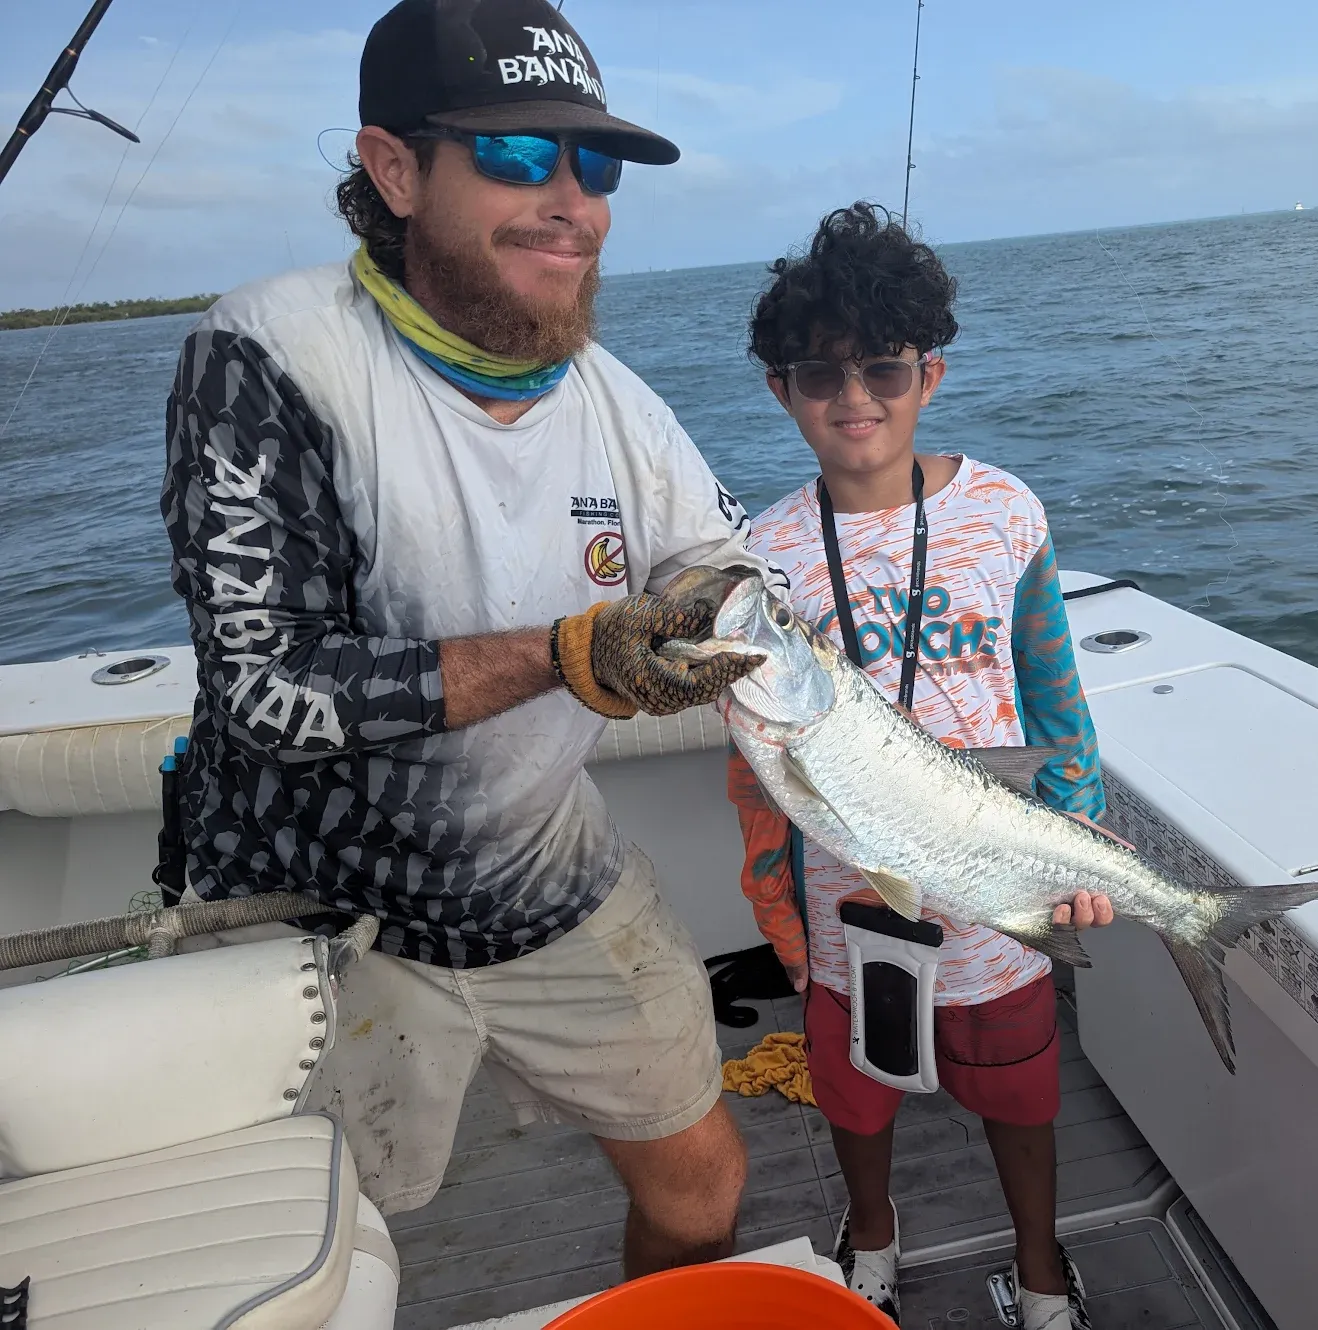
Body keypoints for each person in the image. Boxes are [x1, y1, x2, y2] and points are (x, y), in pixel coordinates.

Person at [160, 0, 776, 1278]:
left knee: (704, 1184)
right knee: (307, 1259)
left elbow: (725, 571)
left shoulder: (617, 400)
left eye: (590, 166)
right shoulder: (271, 354)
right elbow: (269, 692)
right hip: (318, 915)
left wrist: (712, 623)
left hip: (548, 884)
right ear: (394, 170)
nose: (571, 201)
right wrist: (566, 654)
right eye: (513, 156)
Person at [728, 202, 1117, 1330]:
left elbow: (1056, 700)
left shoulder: (1005, 511)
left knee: (1019, 1092)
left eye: (883, 370)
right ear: (779, 389)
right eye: (819, 375)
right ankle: (873, 1241)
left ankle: (1041, 1270)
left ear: (928, 373)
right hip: (843, 899)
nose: (854, 399)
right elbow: (756, 772)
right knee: (853, 1094)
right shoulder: (765, 557)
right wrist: (777, 909)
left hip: (997, 878)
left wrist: (1078, 842)